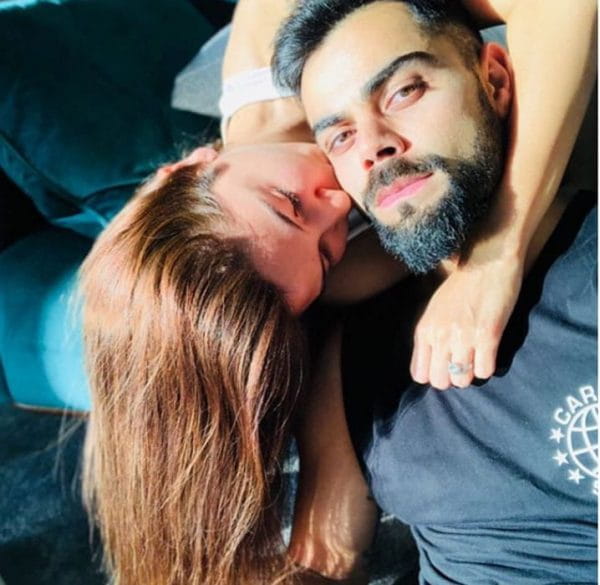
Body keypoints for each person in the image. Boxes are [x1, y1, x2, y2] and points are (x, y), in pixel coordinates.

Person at [79, 2, 596, 585]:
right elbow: (323, 546)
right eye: (327, 255)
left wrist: (495, 256)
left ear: (187, 168)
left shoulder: (280, 33)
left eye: (287, 203)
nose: (341, 207)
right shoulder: (328, 286)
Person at [272, 0, 597, 583]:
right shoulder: (352, 351)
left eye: (404, 92)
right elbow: (321, 563)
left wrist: (496, 255)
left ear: (494, 80)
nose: (374, 146)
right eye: (341, 136)